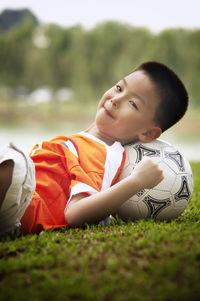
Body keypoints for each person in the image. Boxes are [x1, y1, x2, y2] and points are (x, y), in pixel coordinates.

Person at [0, 61, 189, 236]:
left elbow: (75, 213)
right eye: (119, 88)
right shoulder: (84, 141)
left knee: (14, 163)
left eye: (133, 104)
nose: (116, 99)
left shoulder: (104, 152)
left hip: (27, 206)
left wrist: (136, 182)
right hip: (18, 197)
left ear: (147, 133)